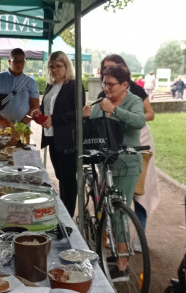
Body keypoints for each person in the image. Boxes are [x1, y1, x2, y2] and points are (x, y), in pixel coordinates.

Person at [83, 64, 145, 279]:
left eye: (111, 84)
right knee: (108, 211)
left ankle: (122, 265)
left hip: (127, 166)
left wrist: (115, 110)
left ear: (125, 85)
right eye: (104, 84)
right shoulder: (101, 103)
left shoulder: (133, 101)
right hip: (105, 165)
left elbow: (139, 121)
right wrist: (85, 117)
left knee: (118, 212)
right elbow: (93, 130)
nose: (106, 88)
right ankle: (115, 252)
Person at [98, 54, 159, 242]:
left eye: (113, 69)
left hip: (137, 144)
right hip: (110, 151)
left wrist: (119, 114)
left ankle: (137, 240)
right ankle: (111, 237)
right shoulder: (104, 96)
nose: (107, 82)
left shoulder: (135, 94)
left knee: (139, 195)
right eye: (104, 73)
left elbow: (146, 117)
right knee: (108, 198)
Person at [32, 51, 85, 218]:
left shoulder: (74, 85)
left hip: (68, 140)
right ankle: (63, 212)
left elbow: (79, 113)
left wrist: (54, 119)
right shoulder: (50, 85)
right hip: (52, 138)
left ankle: (68, 216)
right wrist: (38, 113)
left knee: (69, 180)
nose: (55, 70)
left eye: (58, 66)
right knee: (61, 176)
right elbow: (47, 109)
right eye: (51, 66)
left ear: (66, 66)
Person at [0, 47, 40, 128]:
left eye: (22, 61)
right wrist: (0, 121)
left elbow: (35, 106)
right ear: (9, 62)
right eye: (16, 61)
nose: (19, 64)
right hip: (0, 127)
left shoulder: (31, 82)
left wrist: (22, 124)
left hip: (22, 128)